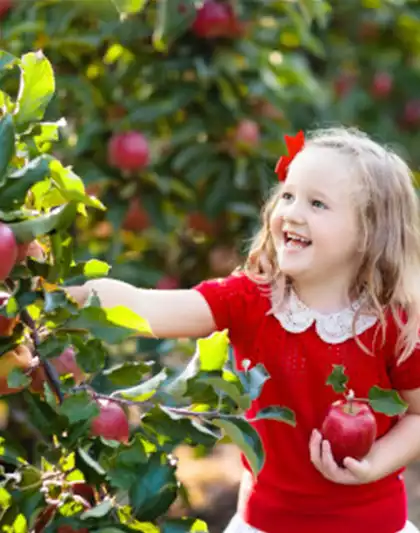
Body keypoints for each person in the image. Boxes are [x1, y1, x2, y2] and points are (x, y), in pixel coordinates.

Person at [67, 127, 420, 533]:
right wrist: (66, 295)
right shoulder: (251, 301)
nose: (292, 212)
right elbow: (149, 308)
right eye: (288, 195)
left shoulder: (390, 323)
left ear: (369, 232)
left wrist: (375, 462)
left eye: (318, 203)